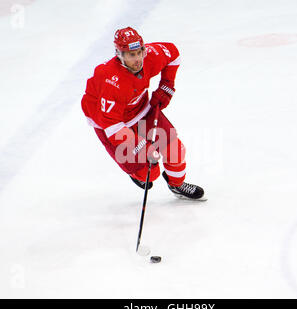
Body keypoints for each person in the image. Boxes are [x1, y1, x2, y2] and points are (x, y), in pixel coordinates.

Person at [81, 27, 204, 200]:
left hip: (139, 109)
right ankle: (136, 173)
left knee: (175, 150)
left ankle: (176, 184)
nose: (138, 59)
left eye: (140, 52)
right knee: (149, 173)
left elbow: (173, 53)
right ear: (119, 54)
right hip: (110, 122)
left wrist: (167, 85)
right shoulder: (110, 80)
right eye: (132, 55)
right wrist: (141, 146)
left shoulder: (149, 57)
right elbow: (112, 126)